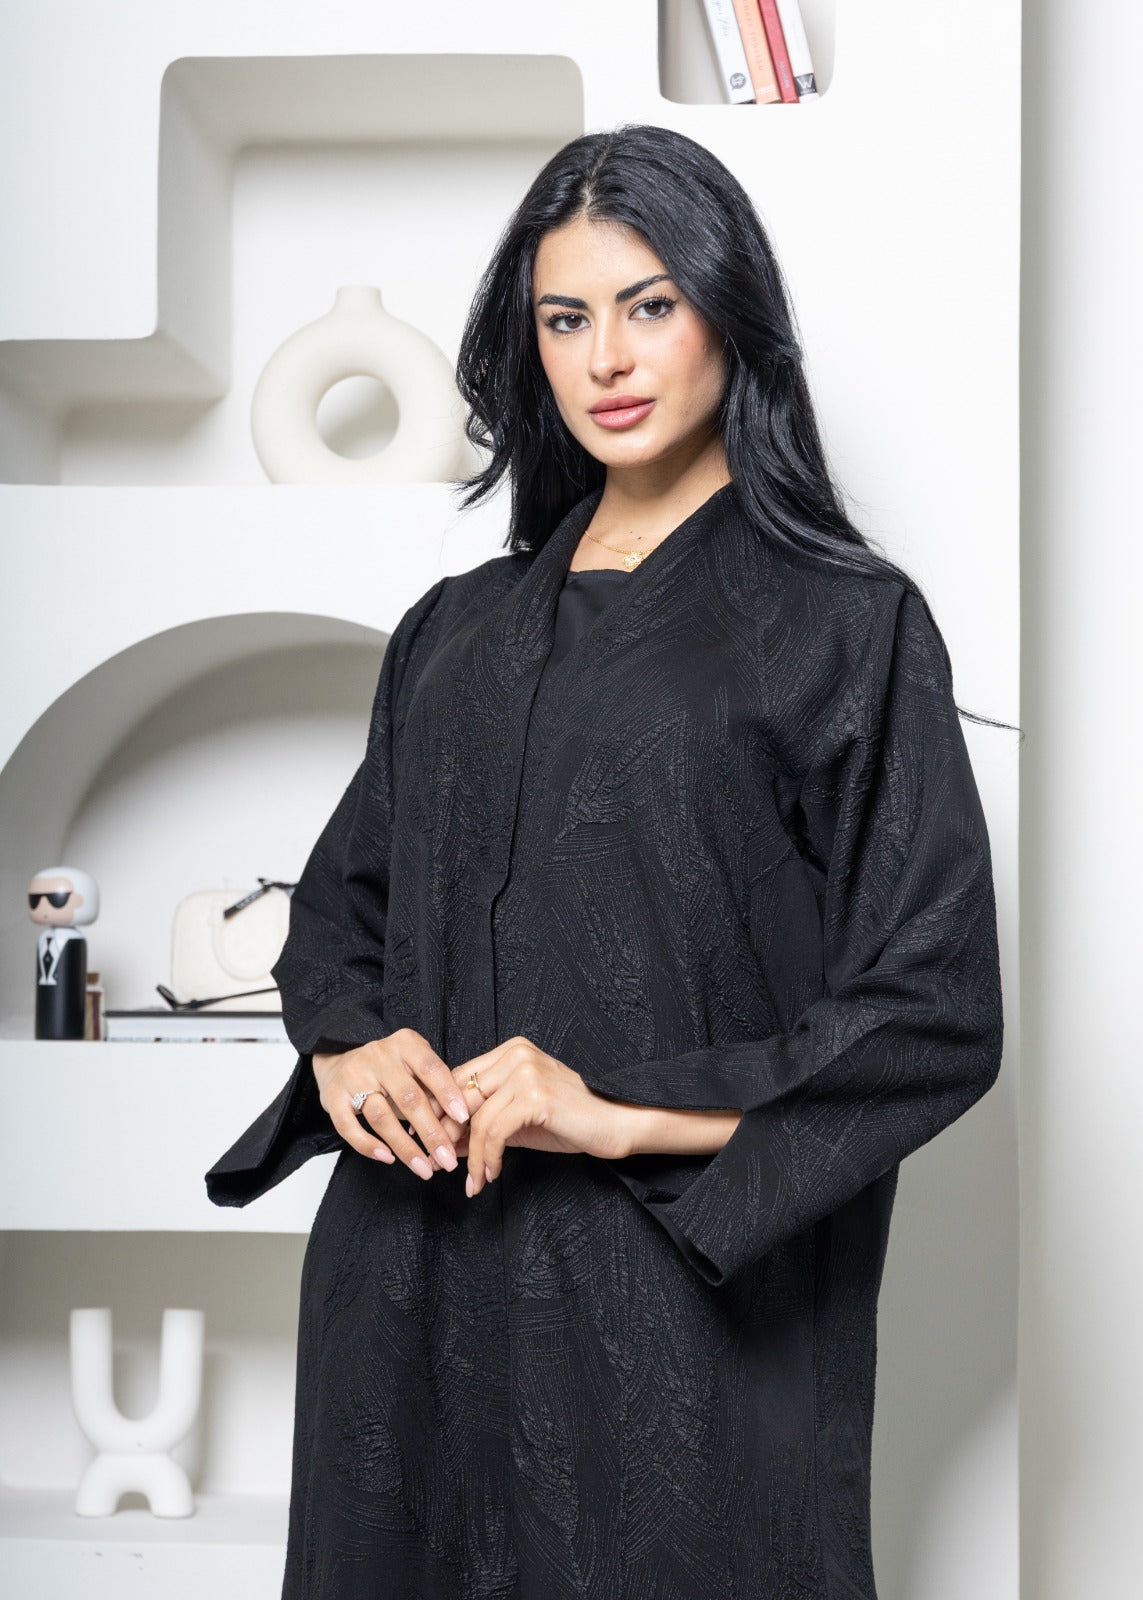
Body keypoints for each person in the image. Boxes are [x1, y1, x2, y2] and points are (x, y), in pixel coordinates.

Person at [205, 123, 1008, 1599]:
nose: (607, 360)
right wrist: (347, 1045)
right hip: (408, 1293)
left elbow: (934, 1010)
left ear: (729, 314)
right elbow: (339, 910)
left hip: (673, 1313)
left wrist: (615, 1112)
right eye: (566, 319)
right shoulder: (454, 629)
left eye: (650, 306)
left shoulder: (847, 625)